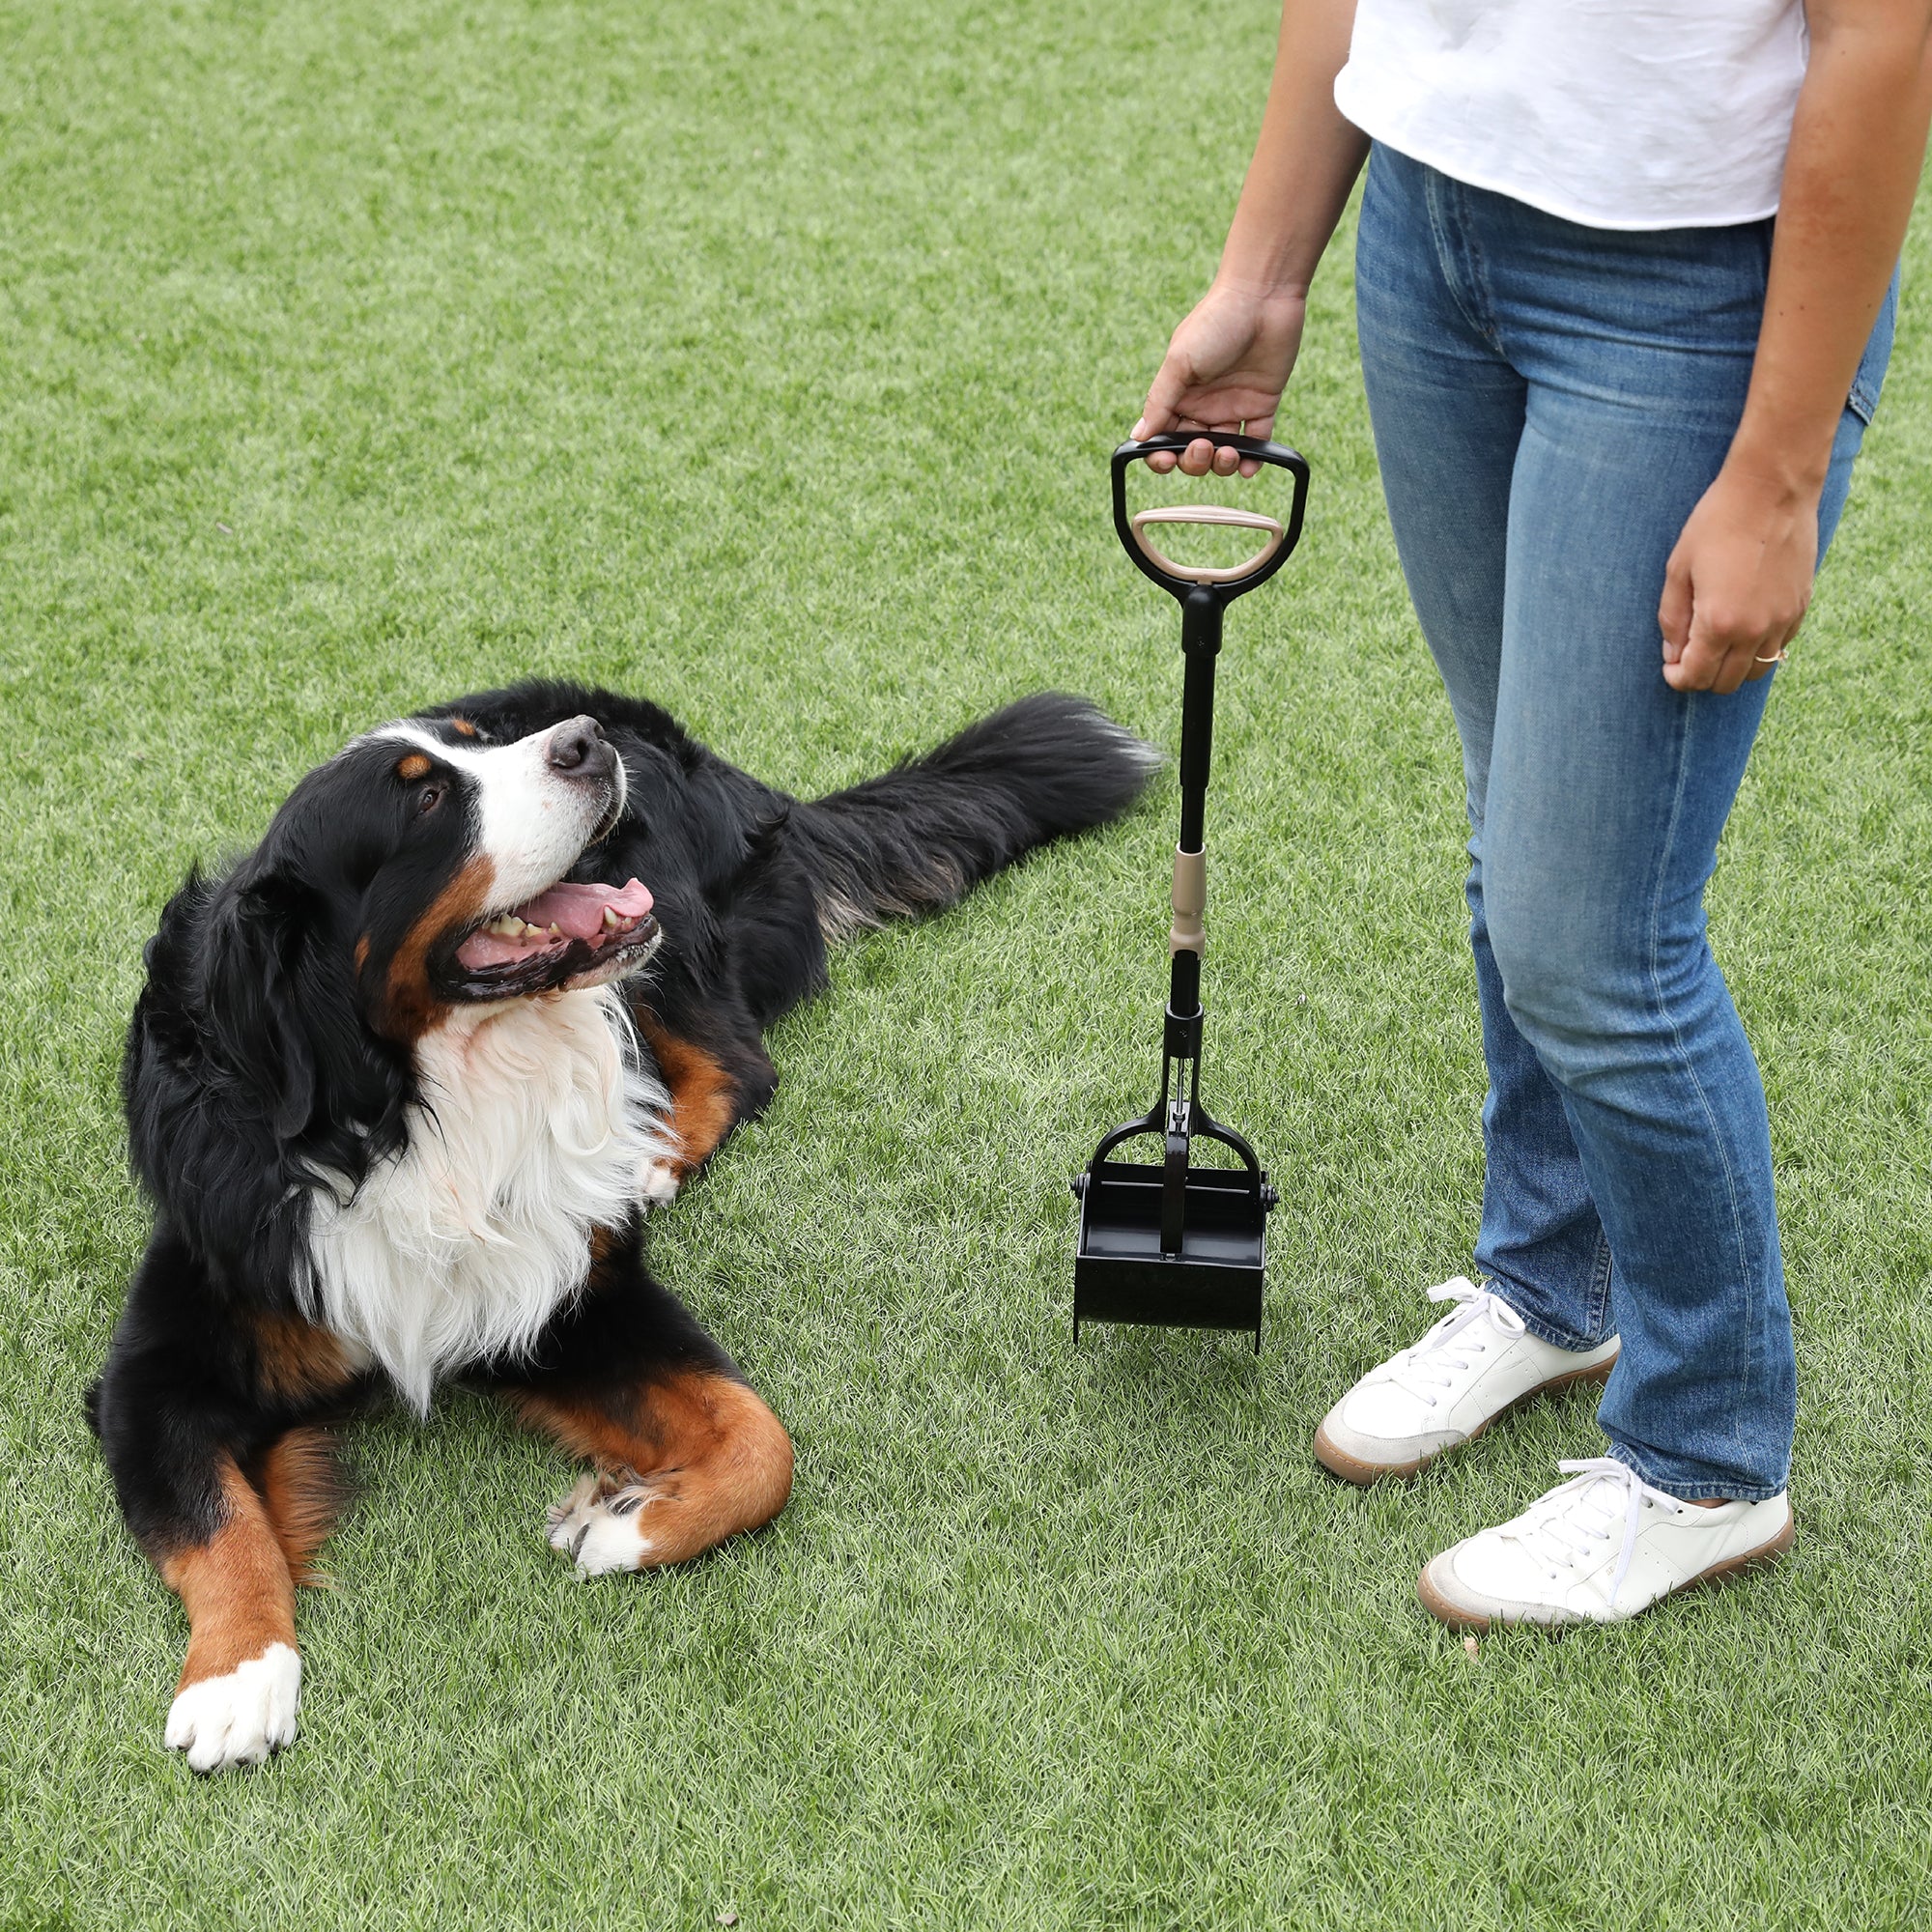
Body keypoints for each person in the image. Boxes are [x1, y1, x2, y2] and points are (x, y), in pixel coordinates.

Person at [1133, 0, 1932, 1627]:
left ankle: (1709, 1456)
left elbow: (1881, 36)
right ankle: (1552, 1282)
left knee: (1597, 935)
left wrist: (1777, 475)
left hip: (1695, 286)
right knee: (1521, 820)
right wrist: (1269, 271)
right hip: (1431, 231)